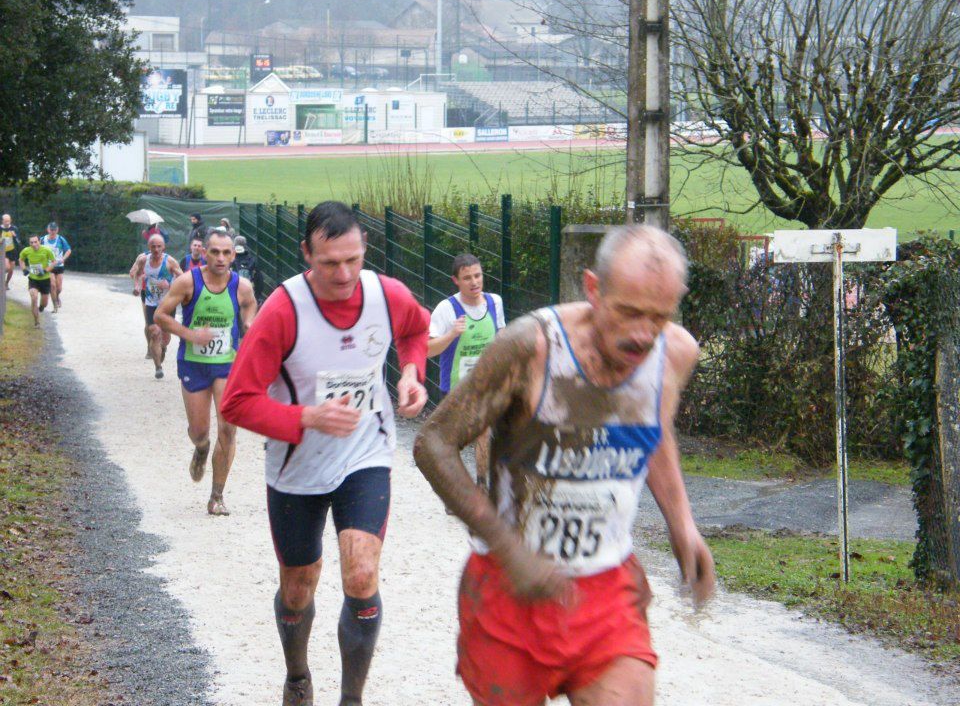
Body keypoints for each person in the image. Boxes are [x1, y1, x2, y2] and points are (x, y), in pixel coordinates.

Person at [413, 225, 716, 706]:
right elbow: (433, 444)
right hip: (507, 591)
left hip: (607, 587)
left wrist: (683, 526)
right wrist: (509, 548)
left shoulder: (675, 354)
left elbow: (653, 430)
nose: (643, 334)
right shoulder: (531, 348)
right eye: (629, 312)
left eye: (658, 318)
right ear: (593, 289)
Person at [221, 201, 429, 706]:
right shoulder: (283, 310)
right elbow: (236, 402)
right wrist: (307, 418)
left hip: (366, 453)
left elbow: (417, 330)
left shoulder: (387, 294)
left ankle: (351, 698)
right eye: (330, 262)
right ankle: (297, 675)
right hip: (297, 467)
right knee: (298, 588)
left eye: (354, 260)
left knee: (361, 573)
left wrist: (410, 373)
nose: (345, 274)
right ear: (306, 255)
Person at [155, 229, 257, 516]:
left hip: (227, 364)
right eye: (215, 252)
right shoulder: (188, 282)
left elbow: (250, 307)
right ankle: (200, 448)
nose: (221, 258)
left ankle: (217, 496)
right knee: (200, 431)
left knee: (228, 427)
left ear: (233, 255)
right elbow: (161, 315)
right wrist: (189, 334)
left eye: (226, 253)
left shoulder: (242, 286)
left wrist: (249, 323)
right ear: (205, 253)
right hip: (194, 363)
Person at [427, 253, 505, 487]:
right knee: (452, 442)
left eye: (478, 275)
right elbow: (427, 349)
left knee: (484, 433)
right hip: (454, 387)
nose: (474, 282)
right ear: (456, 281)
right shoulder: (446, 308)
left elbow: (501, 337)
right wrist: (451, 334)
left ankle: (482, 483)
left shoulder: (494, 302)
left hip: (485, 384)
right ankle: (455, 488)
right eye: (467, 277)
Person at [129, 234, 182, 379]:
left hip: (167, 303)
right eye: (153, 246)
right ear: (149, 247)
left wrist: (170, 285)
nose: (156, 249)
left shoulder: (170, 261)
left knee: (165, 336)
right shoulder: (143, 260)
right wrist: (138, 286)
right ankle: (158, 367)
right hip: (151, 302)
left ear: (163, 247)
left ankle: (162, 347)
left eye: (159, 246)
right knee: (154, 332)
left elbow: (183, 278)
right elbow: (138, 274)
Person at [18, 235, 57, 327]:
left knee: (44, 302)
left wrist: (46, 270)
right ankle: (37, 322)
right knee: (34, 297)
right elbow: (21, 259)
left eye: (35, 242)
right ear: (29, 243)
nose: (33, 244)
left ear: (39, 241)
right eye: (31, 242)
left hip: (45, 279)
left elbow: (54, 262)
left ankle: (42, 307)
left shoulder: (46, 250)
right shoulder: (26, 250)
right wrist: (23, 269)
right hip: (33, 279)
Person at [40, 222, 71, 311]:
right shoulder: (42, 240)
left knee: (59, 287)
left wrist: (63, 259)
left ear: (57, 230)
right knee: (52, 285)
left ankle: (57, 296)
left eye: (54, 230)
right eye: (51, 230)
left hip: (59, 265)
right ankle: (55, 305)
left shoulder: (61, 239)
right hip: (49, 266)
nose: (53, 232)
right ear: (48, 229)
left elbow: (68, 250)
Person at [230, 235, 261, 301]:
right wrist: (256, 297)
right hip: (248, 295)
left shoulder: (230, 260)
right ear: (245, 245)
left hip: (233, 296)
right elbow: (259, 280)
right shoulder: (252, 260)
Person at [2, 214, 21, 290]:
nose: (7, 222)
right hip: (3, 251)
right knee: (7, 267)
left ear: (10, 220)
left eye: (8, 221)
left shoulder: (14, 228)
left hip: (12, 251)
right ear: (2, 221)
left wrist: (15, 236)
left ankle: (6, 283)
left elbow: (19, 241)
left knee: (11, 270)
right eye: (5, 221)